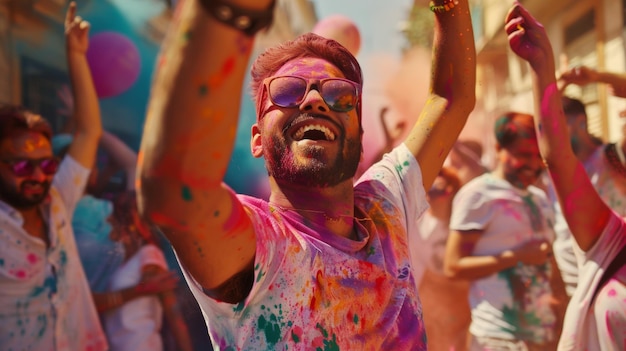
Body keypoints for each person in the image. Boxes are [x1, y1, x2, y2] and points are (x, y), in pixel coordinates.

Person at [136, 0, 476, 349]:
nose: (315, 101)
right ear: (257, 140)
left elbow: (451, 99)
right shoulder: (256, 246)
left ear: (360, 137)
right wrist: (233, 10)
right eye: (286, 91)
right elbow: (174, 190)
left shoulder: (385, 207)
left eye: (340, 95)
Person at [505, 3, 626, 350]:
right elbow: (557, 159)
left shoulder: (612, 158)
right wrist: (542, 67)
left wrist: (600, 78)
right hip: (587, 276)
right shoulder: (614, 239)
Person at [0, 2, 107, 350]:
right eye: (21, 165)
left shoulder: (57, 201)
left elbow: (89, 132)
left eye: (47, 165)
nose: (38, 175)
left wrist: (75, 54)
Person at [444, 111, 568, 350]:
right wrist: (517, 257)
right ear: (499, 149)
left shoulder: (540, 199)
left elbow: (549, 263)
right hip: (498, 339)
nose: (533, 164)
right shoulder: (478, 195)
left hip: (545, 338)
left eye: (537, 156)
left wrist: (563, 311)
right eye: (523, 155)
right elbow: (453, 266)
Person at [103, 191, 193, 351]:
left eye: (112, 216)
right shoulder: (122, 260)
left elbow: (174, 316)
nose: (107, 221)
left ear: (126, 222)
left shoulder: (148, 254)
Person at [410, 166, 471, 351]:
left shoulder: (461, 229)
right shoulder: (414, 220)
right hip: (419, 306)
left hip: (451, 309)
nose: (429, 190)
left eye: (437, 185)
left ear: (450, 190)